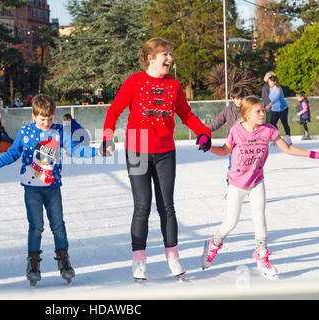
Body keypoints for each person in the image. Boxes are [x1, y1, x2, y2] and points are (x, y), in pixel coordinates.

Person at [100, 37, 212, 281]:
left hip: (165, 150)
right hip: (138, 146)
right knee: (142, 206)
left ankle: (173, 256)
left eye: (171, 54)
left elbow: (186, 114)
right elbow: (115, 110)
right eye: (165, 54)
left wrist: (203, 132)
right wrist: (107, 137)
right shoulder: (134, 81)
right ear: (151, 58)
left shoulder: (174, 86)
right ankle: (139, 260)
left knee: (167, 207)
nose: (170, 59)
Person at [0, 94, 98, 286]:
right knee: (36, 226)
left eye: (50, 119)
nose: (47, 123)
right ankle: (33, 263)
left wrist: (97, 151)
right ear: (34, 116)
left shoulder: (59, 131)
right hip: (32, 189)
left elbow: (75, 150)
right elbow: (12, 154)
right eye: (42, 120)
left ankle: (64, 259)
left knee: (58, 225)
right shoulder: (26, 132)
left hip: (53, 188)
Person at [201, 95, 319, 278]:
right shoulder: (236, 131)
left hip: (256, 181)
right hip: (236, 184)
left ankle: (262, 256)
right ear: (247, 114)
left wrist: (313, 155)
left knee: (260, 221)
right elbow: (225, 150)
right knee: (231, 222)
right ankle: (213, 245)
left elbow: (287, 148)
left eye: (263, 110)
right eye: (258, 111)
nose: (263, 113)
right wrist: (208, 147)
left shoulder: (268, 130)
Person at [208, 87, 247, 186]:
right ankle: (231, 188)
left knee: (246, 168)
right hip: (233, 146)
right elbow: (217, 122)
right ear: (232, 98)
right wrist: (204, 131)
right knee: (232, 167)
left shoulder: (249, 110)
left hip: (247, 145)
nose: (239, 101)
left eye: (242, 98)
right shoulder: (228, 111)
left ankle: (246, 188)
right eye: (237, 98)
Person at [267, 76, 292, 145]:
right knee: (272, 123)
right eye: (268, 82)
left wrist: (269, 104)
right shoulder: (270, 89)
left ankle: (288, 139)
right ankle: (276, 138)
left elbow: (276, 98)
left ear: (274, 82)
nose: (269, 83)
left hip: (282, 108)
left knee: (284, 123)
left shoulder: (278, 89)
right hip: (274, 109)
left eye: (270, 82)